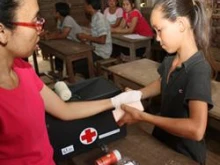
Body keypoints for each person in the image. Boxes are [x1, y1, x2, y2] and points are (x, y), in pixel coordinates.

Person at [0, 0, 142, 164]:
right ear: (2, 31)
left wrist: (116, 101)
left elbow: (64, 109)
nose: (41, 28)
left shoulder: (23, 69)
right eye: (34, 22)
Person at [118, 0, 216, 164]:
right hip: (163, 140)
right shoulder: (172, 59)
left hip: (183, 153)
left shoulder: (198, 69)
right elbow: (164, 81)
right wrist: (138, 93)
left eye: (159, 30)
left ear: (180, 24)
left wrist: (144, 117)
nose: (157, 38)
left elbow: (197, 130)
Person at [43, 2, 82, 74]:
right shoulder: (59, 20)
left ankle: (69, 74)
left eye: (54, 10)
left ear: (58, 12)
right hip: (70, 42)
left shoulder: (68, 19)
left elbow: (63, 35)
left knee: (62, 52)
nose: (52, 12)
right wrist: (49, 35)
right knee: (57, 51)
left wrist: (49, 37)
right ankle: (58, 72)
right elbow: (58, 32)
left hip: (78, 44)